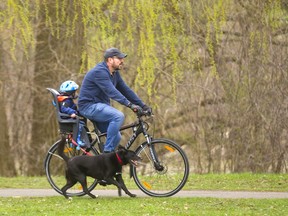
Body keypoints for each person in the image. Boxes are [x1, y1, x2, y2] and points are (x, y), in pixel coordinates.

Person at [78, 47, 152, 153]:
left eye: (122, 58)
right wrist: (130, 105)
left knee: (116, 137)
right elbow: (112, 92)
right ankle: (107, 154)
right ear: (110, 60)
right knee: (118, 116)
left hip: (100, 107)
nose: (122, 61)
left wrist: (143, 105)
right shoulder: (100, 72)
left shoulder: (114, 73)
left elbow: (125, 90)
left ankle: (105, 166)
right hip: (88, 106)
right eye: (119, 58)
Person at [58, 80, 86, 149]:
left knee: (82, 123)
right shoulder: (66, 100)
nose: (76, 93)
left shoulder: (68, 100)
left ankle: (78, 140)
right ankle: (77, 141)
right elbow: (64, 109)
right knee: (80, 125)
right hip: (68, 119)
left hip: (70, 118)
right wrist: (71, 113)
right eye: (75, 92)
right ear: (70, 93)